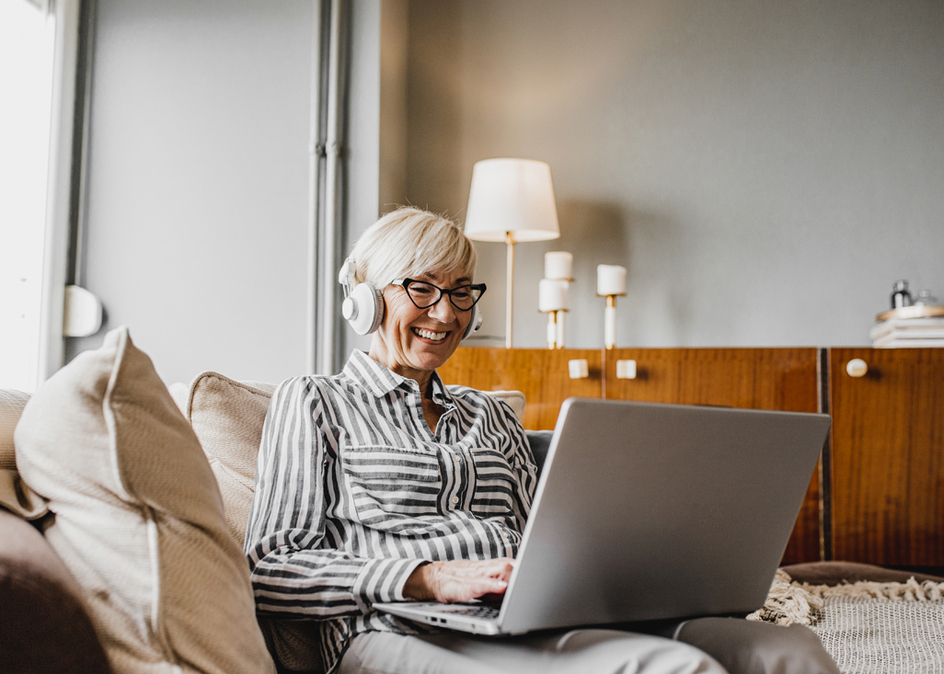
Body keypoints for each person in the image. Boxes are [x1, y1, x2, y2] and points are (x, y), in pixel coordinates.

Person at [244, 207, 838, 674]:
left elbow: (545, 541)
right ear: (367, 300)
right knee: (668, 668)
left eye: (461, 292)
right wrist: (427, 576)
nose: (446, 313)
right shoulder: (315, 400)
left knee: (784, 652)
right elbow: (271, 567)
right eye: (421, 289)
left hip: (516, 613)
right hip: (394, 627)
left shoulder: (491, 415)